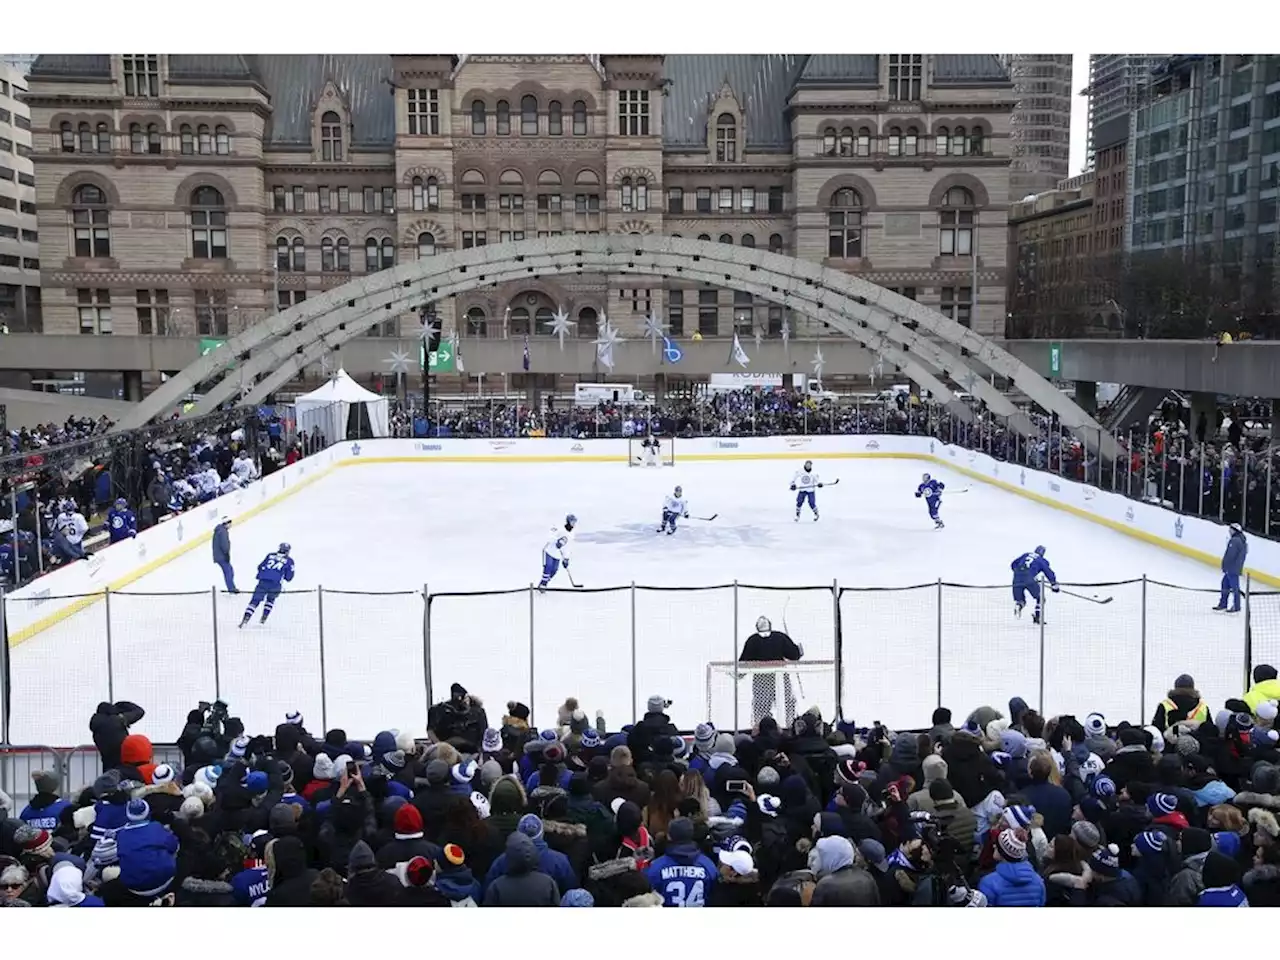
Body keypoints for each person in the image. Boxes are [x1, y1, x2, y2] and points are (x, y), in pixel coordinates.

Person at [738, 616, 803, 725]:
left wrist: (738, 674)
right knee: (786, 704)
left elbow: (743, 664)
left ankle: (762, 728)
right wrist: (799, 650)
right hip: (780, 678)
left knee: (761, 708)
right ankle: (789, 727)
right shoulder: (780, 637)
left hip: (761, 679)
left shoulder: (752, 640)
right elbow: (794, 654)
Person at [239, 543, 295, 627]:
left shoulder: (270, 555)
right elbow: (289, 577)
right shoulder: (289, 560)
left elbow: (260, 566)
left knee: (254, 601)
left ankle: (245, 619)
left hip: (263, 581)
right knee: (270, 600)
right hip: (275, 583)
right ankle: (263, 618)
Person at [1010, 545, 1058, 624]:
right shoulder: (1042, 560)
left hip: (1016, 577)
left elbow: (1013, 564)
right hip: (1029, 578)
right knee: (1041, 598)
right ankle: (1038, 617)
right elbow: (1048, 572)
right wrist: (1054, 584)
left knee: (1020, 600)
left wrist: (1019, 572)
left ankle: (1019, 605)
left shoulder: (1026, 554)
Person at [538, 514, 576, 592]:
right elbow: (550, 536)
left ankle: (544, 583)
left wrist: (566, 558)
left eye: (574, 522)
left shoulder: (570, 534)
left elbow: (566, 547)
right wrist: (557, 541)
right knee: (548, 567)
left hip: (558, 555)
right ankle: (542, 585)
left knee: (554, 570)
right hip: (549, 551)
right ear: (568, 521)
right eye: (572, 521)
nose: (573, 523)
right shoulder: (559, 528)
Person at [1214, 523, 1247, 613]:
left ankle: (1236, 606)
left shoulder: (1235, 541)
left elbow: (1230, 555)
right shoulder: (1240, 540)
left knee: (1234, 587)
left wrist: (1225, 565)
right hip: (1234, 568)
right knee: (1225, 584)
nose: (1229, 531)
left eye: (1230, 529)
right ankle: (1223, 604)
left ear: (1234, 530)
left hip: (1232, 568)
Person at [212, 516, 236, 593]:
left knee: (229, 571)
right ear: (227, 523)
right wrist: (226, 554)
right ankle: (231, 589)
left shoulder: (220, 530)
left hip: (219, 555)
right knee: (229, 571)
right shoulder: (223, 532)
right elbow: (224, 544)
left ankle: (231, 587)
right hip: (221, 556)